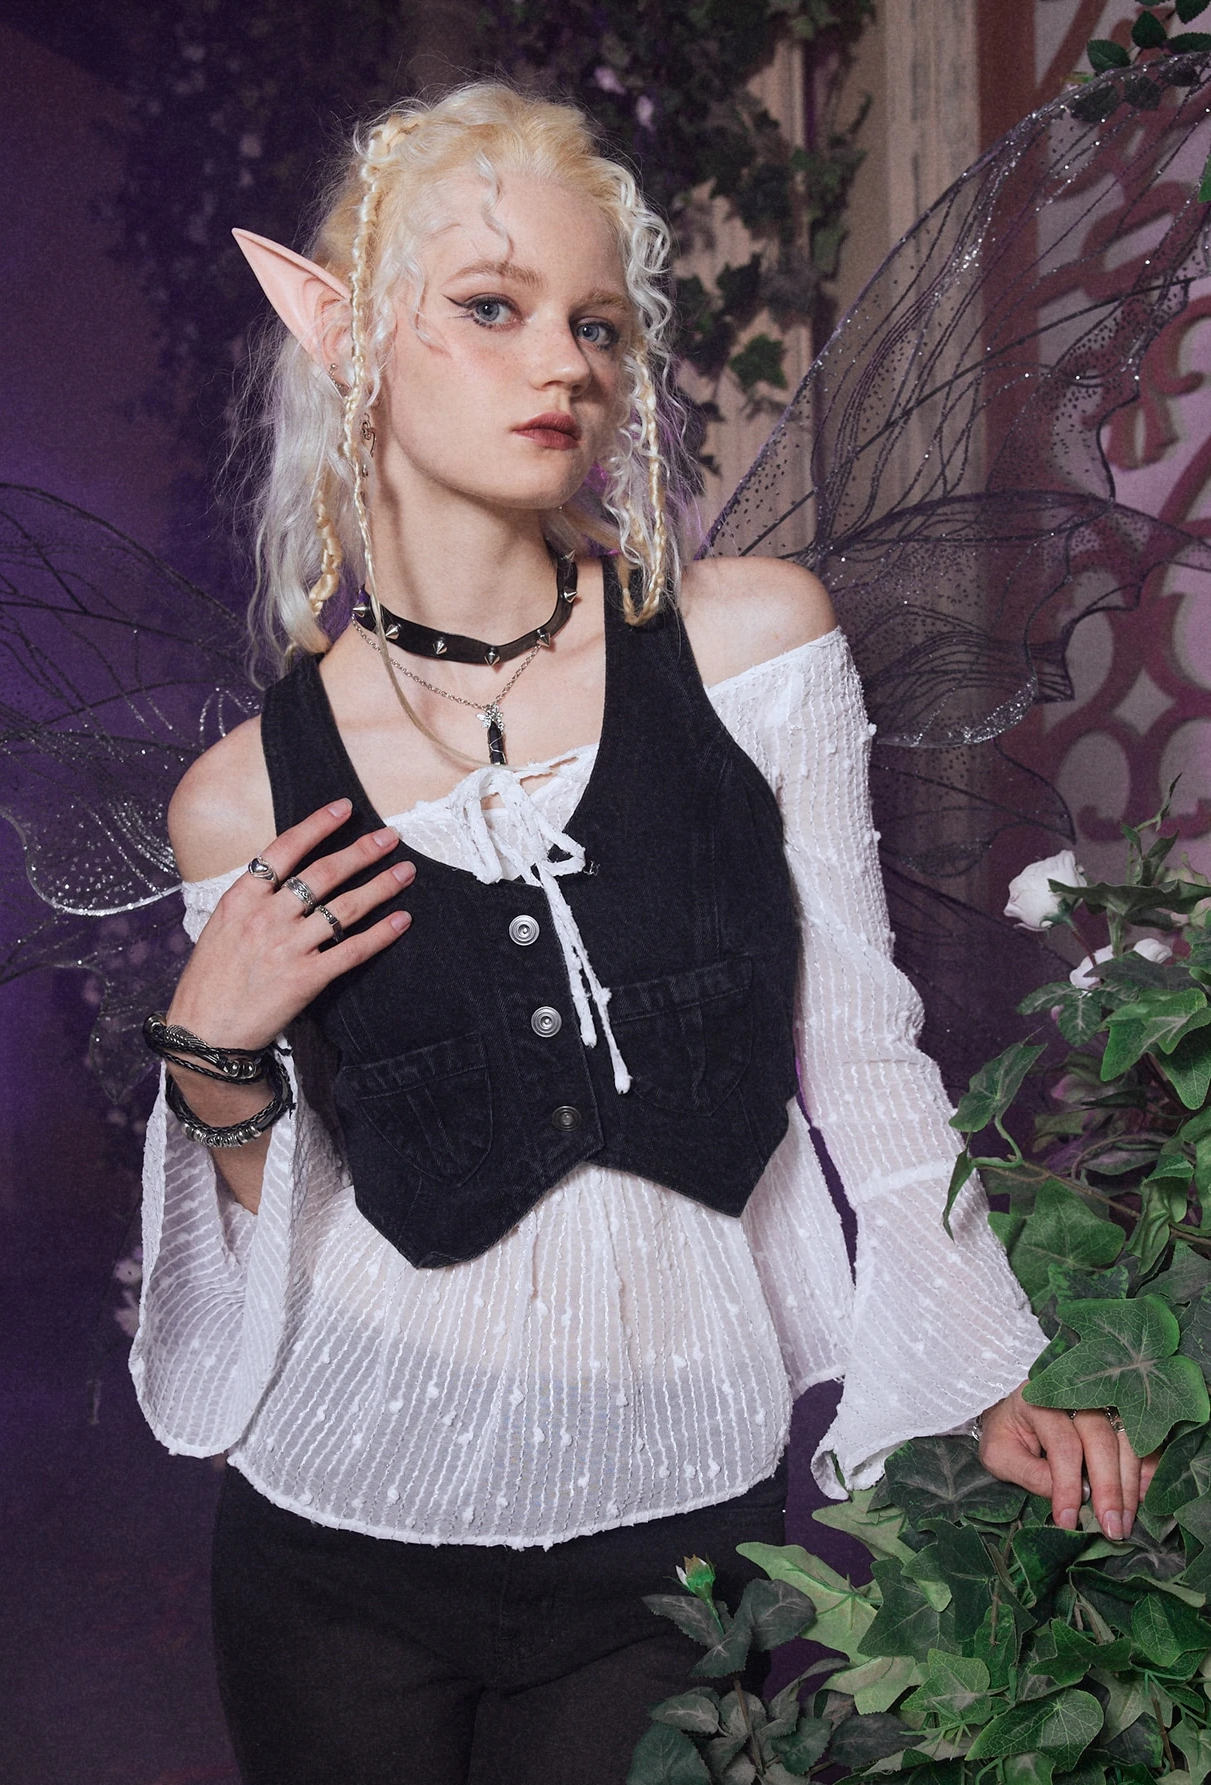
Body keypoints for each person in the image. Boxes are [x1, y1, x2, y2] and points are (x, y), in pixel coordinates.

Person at [129, 83, 1155, 1785]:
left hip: (674, 1524)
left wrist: (991, 1360)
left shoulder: (751, 649)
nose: (566, 363)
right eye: (493, 306)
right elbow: (289, 1216)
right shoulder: (240, 796)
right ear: (349, 338)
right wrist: (212, 1053)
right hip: (338, 1531)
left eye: (598, 324)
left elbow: (859, 1046)